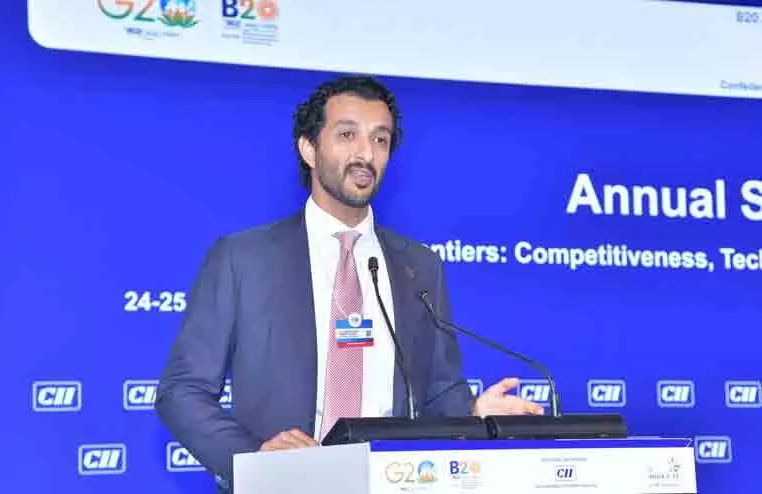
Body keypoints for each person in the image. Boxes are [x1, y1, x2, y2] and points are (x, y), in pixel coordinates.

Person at [154, 75, 543, 492]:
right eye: (347, 135)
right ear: (309, 149)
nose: (366, 154)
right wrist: (255, 459)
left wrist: (474, 413)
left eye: (380, 139)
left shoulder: (419, 266)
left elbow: (437, 392)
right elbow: (182, 391)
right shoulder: (242, 258)